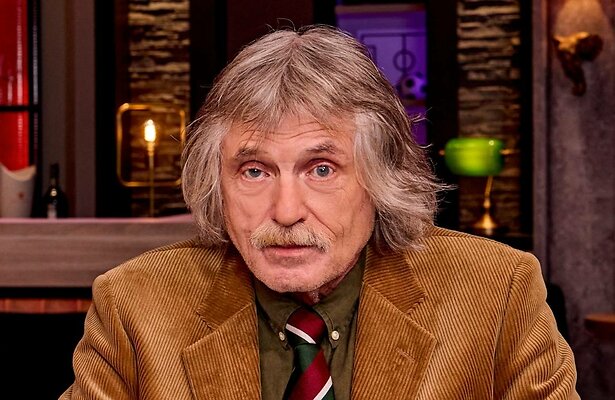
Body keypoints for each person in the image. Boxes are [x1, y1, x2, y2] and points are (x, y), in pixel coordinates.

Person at [61, 25, 578, 399]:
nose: (286, 212)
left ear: (378, 178)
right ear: (217, 184)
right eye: (255, 171)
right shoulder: (134, 306)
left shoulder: (497, 295)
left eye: (322, 169)